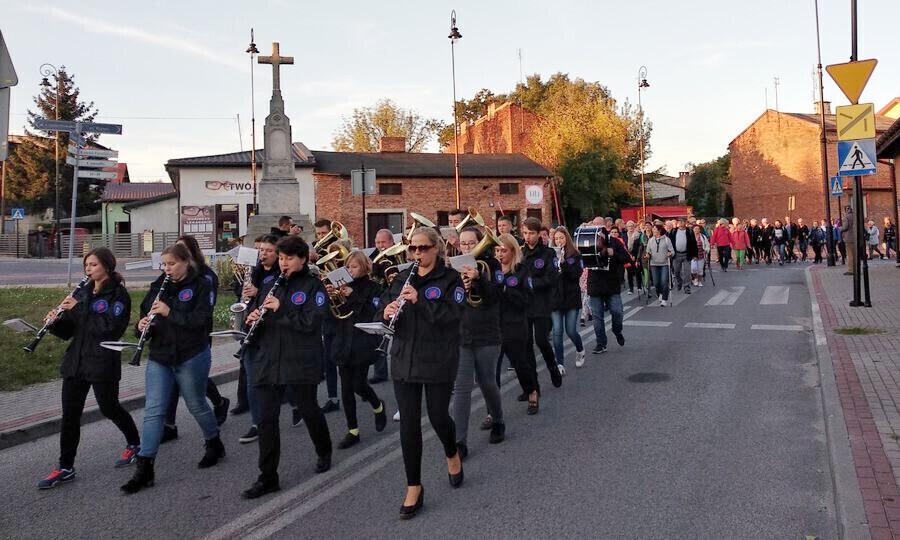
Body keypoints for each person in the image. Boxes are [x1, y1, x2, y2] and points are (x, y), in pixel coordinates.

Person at [122, 243, 223, 494]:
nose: (167, 269)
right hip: (160, 354)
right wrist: (141, 324)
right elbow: (146, 309)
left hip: (191, 353)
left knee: (196, 404)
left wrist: (170, 312)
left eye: (172, 264)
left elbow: (201, 322)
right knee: (154, 410)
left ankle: (214, 442)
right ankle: (145, 467)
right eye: (164, 264)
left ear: (186, 262)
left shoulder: (201, 284)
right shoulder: (160, 284)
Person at [378, 226, 465, 519]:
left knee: (439, 416)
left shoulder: (451, 279)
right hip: (405, 358)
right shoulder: (402, 277)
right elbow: (386, 307)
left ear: (436, 249)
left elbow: (454, 317)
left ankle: (451, 451)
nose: (416, 254)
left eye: (422, 248)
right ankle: (414, 486)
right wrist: (388, 311)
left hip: (438, 357)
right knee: (409, 425)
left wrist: (421, 301)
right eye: (412, 249)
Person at [37, 248, 141, 490]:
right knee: (70, 416)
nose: (88, 269)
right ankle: (65, 467)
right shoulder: (83, 292)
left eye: (93, 265)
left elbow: (109, 328)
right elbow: (70, 332)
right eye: (86, 265)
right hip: (76, 361)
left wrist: (78, 309)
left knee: (109, 407)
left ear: (107, 266)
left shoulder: (119, 295)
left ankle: (135, 444)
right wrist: (56, 322)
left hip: (103, 359)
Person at [240, 235, 333, 499]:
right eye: (281, 258)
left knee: (309, 409)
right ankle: (268, 477)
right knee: (266, 420)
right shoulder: (270, 283)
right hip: (267, 360)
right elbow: (260, 314)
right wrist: (252, 318)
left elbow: (313, 323)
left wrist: (281, 311)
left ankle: (324, 450)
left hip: (300, 360)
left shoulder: (314, 287)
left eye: (289, 258)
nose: (284, 263)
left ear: (302, 259)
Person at [161, 235, 230, 444]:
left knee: (194, 377)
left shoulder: (205, 276)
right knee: (174, 378)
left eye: (182, 250)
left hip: (197, 333)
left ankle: (218, 402)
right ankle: (169, 424)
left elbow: (205, 310)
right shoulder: (171, 275)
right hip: (173, 333)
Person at [452, 227, 505, 459]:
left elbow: (496, 296)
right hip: (462, 334)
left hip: (487, 332)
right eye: (463, 243)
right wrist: (460, 291)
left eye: (471, 242)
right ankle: (459, 441)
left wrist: (479, 279)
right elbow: (448, 301)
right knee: (461, 389)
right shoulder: (452, 268)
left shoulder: (491, 265)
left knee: (487, 383)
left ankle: (498, 420)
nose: (466, 247)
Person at [330, 251, 388, 450]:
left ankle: (377, 405)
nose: (350, 270)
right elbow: (334, 314)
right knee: (345, 388)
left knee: (358, 385)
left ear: (364, 267)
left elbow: (372, 312)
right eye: (347, 267)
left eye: (354, 267)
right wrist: (333, 296)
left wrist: (352, 295)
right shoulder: (341, 287)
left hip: (362, 342)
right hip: (343, 340)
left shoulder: (374, 288)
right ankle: (352, 430)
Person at [236, 235, 281, 444]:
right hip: (252, 330)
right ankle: (257, 423)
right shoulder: (254, 272)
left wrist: (258, 293)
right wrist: (245, 295)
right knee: (252, 380)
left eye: (268, 251)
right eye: (261, 250)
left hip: (273, 334)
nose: (263, 254)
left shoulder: (282, 274)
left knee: (280, 381)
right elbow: (245, 298)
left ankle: (298, 406)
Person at [520, 217, 563, 389]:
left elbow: (552, 277)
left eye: (531, 233)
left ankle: (552, 366)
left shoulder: (548, 253)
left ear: (538, 234)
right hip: (523, 303)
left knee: (541, 340)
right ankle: (533, 386)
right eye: (525, 233)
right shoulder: (520, 252)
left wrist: (531, 283)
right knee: (526, 345)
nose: (527, 237)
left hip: (542, 303)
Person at [313, 219, 341, 413]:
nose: (322, 238)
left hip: (343, 313)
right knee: (328, 357)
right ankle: (333, 397)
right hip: (327, 313)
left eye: (325, 234)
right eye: (320, 235)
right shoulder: (317, 255)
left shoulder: (339, 252)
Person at [587, 227, 630, 354]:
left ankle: (617, 330)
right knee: (597, 316)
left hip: (612, 284)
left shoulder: (615, 242)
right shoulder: (588, 242)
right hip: (595, 284)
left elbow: (627, 258)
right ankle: (601, 343)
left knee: (617, 312)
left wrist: (614, 253)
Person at [549, 226, 585, 373]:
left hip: (570, 298)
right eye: (556, 239)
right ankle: (560, 363)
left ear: (567, 239)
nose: (559, 241)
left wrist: (563, 263)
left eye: (561, 238)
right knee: (557, 331)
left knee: (570, 331)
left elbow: (576, 275)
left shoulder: (575, 255)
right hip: (555, 299)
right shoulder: (550, 255)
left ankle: (580, 349)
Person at [369, 228, 395, 383]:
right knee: (379, 333)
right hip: (379, 298)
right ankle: (380, 372)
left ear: (392, 242)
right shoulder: (374, 256)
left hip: (394, 296)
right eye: (377, 242)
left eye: (383, 242)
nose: (380, 245)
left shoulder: (397, 255)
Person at [667, 217, 698, 293]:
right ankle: (679, 281)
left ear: (685, 222)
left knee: (687, 272)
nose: (680, 223)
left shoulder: (689, 231)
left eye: (682, 221)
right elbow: (669, 242)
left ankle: (686, 287)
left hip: (687, 254)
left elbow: (694, 243)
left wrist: (695, 254)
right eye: (679, 221)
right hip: (676, 254)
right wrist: (669, 251)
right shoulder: (674, 231)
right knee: (677, 271)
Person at [646, 224, 674, 307]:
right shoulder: (650, 240)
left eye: (654, 229)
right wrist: (648, 255)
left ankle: (664, 299)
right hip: (654, 264)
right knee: (656, 282)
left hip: (664, 264)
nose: (653, 230)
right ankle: (660, 294)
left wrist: (670, 253)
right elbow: (648, 251)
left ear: (659, 230)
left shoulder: (666, 239)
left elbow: (672, 251)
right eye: (653, 229)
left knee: (664, 282)